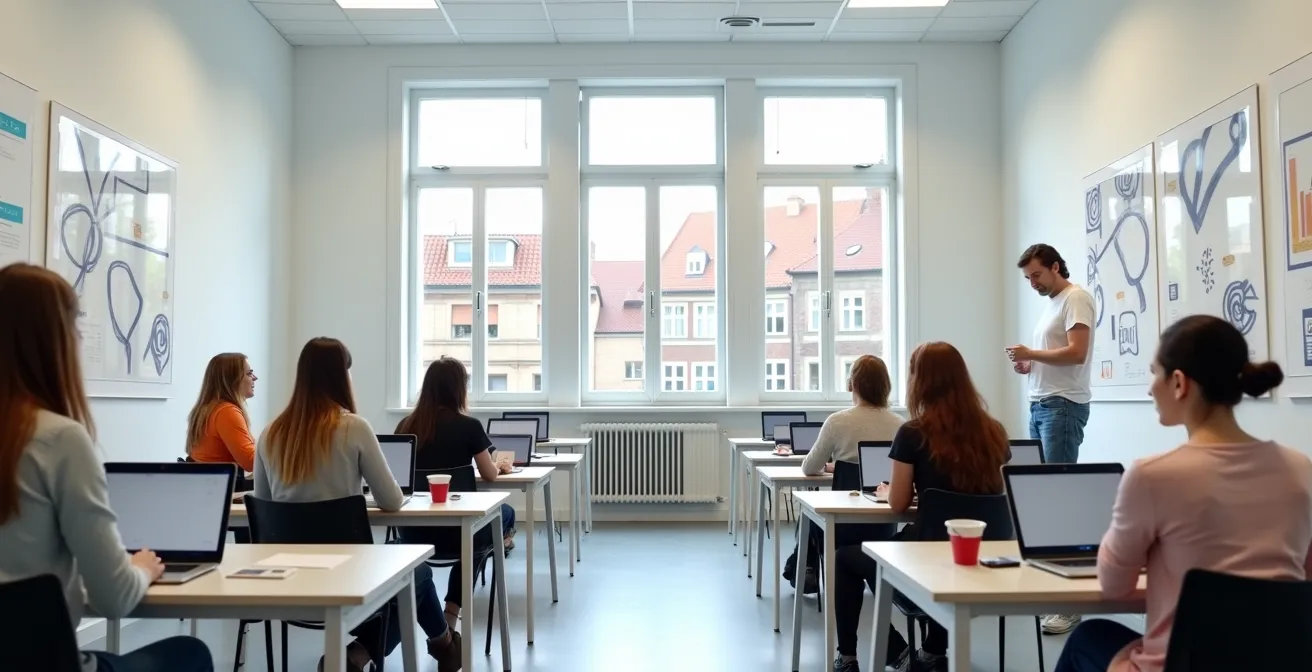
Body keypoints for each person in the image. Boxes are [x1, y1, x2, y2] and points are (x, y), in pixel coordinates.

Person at [1054, 315, 1312, 672]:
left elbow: (1114, 585)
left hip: (1180, 665)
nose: (1149, 389)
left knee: (1087, 636)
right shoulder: (1301, 469)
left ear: (1178, 383)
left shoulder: (1152, 476)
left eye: (1153, 373)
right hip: (1278, 663)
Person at [0, 264, 214, 672]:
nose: (81, 336)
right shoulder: (60, 439)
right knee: (191, 654)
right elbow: (115, 597)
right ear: (54, 341)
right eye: (74, 324)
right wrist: (139, 567)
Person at [253, 338, 460, 671]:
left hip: (286, 573)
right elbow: (392, 501)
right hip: (346, 570)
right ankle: (442, 644)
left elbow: (262, 502)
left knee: (408, 579)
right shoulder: (353, 427)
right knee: (416, 573)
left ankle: (366, 655)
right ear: (341, 376)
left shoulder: (270, 433)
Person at [847, 342, 1010, 672]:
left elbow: (897, 505)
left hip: (929, 557)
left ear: (920, 381)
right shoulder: (995, 432)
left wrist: (906, 491)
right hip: (989, 556)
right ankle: (933, 649)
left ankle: (856, 656)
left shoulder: (912, 433)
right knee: (939, 544)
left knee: (845, 559)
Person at [1007, 243, 1095, 635]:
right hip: (1043, 404)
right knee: (1045, 498)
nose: (1032, 284)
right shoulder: (1053, 303)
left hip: (1061, 407)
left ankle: (1069, 605)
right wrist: (1031, 364)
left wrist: (1034, 354)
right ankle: (1051, 592)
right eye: (1028, 278)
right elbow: (1057, 355)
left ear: (1056, 267)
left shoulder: (1076, 298)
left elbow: (1077, 354)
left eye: (1036, 276)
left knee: (1058, 501)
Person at [394, 357, 517, 634]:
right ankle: (452, 611)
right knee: (504, 515)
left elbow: (398, 480)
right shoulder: (469, 426)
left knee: (476, 530)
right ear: (458, 389)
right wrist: (498, 466)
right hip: (459, 533)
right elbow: (489, 475)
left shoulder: (405, 426)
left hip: (413, 533)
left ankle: (445, 618)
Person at [784, 355, 903, 597]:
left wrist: (837, 466)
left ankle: (802, 567)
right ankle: (800, 566)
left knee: (809, 516)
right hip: (885, 526)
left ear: (852, 384)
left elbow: (809, 467)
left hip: (843, 526)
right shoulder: (901, 425)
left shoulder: (837, 422)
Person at [185, 353, 258, 473]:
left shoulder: (209, 408)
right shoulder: (226, 412)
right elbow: (250, 463)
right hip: (218, 486)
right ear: (232, 379)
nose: (254, 378)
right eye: (249, 373)